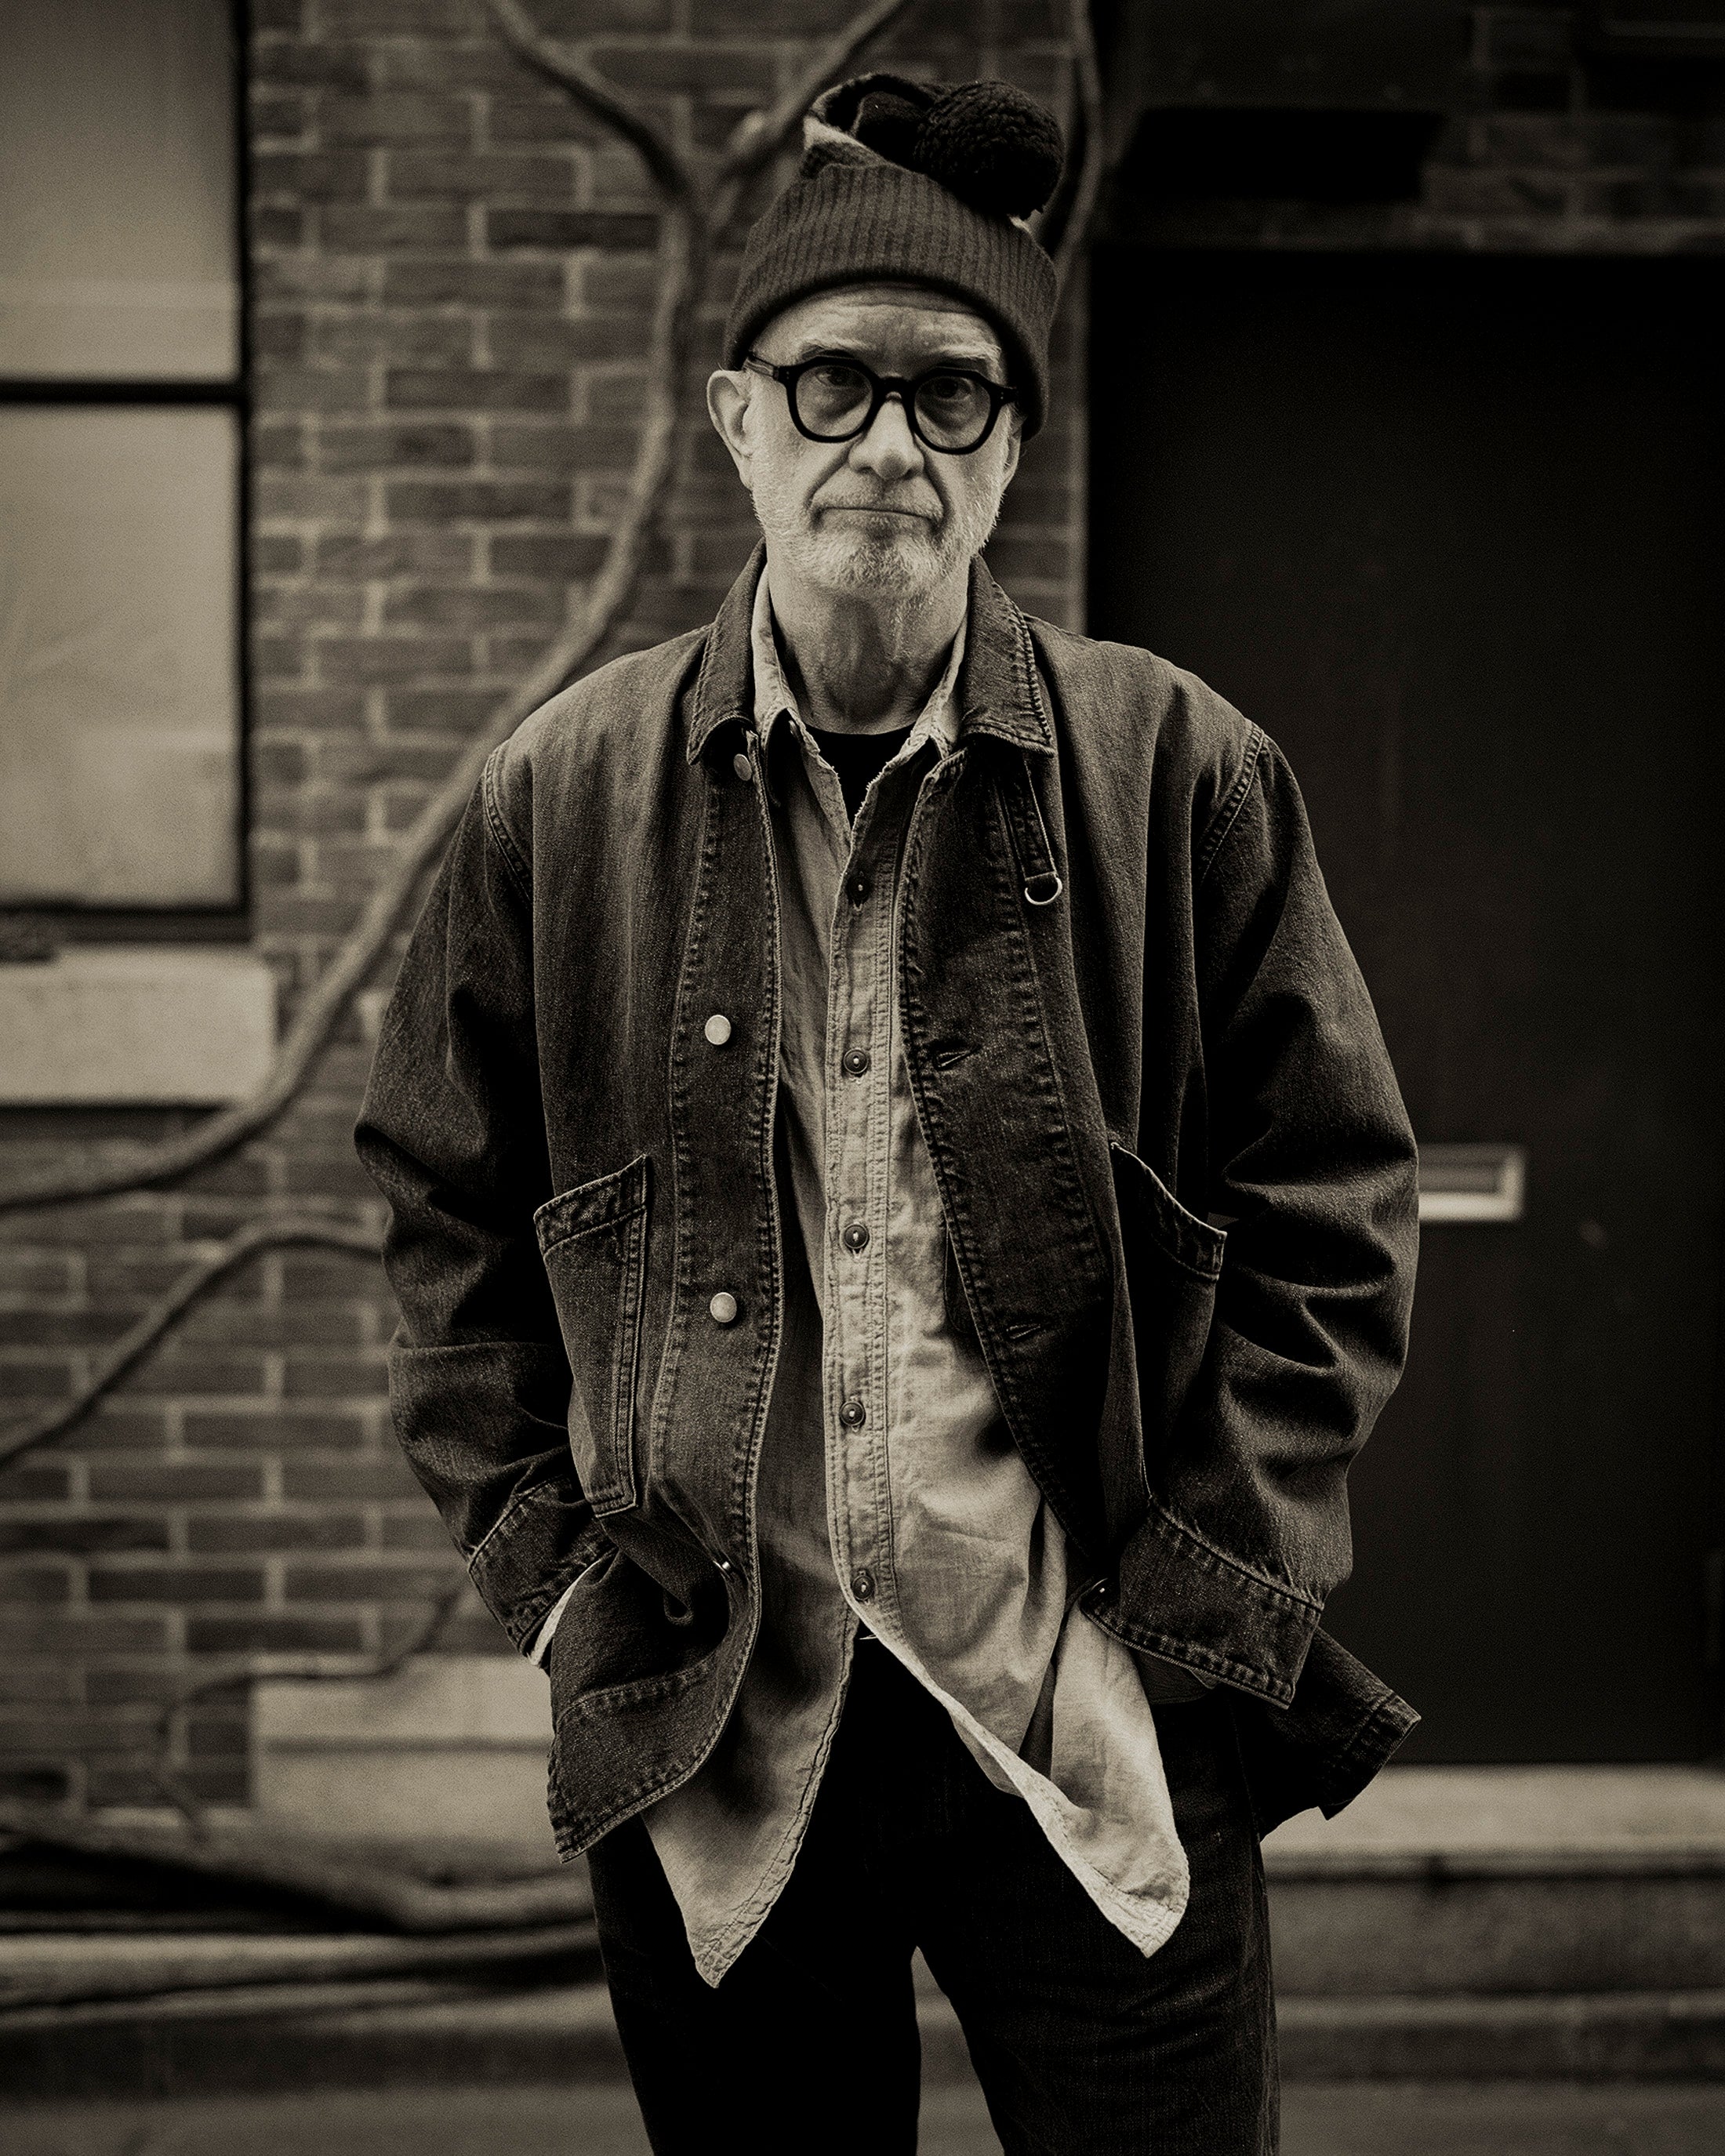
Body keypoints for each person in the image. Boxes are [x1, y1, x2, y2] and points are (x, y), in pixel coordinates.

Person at [355, 71, 1420, 2156]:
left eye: (953, 394)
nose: (890, 444)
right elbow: (440, 1215)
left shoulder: (1178, 772)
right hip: (720, 1718)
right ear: (738, 417)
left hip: (1083, 1712)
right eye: (834, 382)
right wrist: (562, 1585)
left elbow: (1336, 1201)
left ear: (1010, 446)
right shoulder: (560, 795)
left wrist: (1202, 1587)